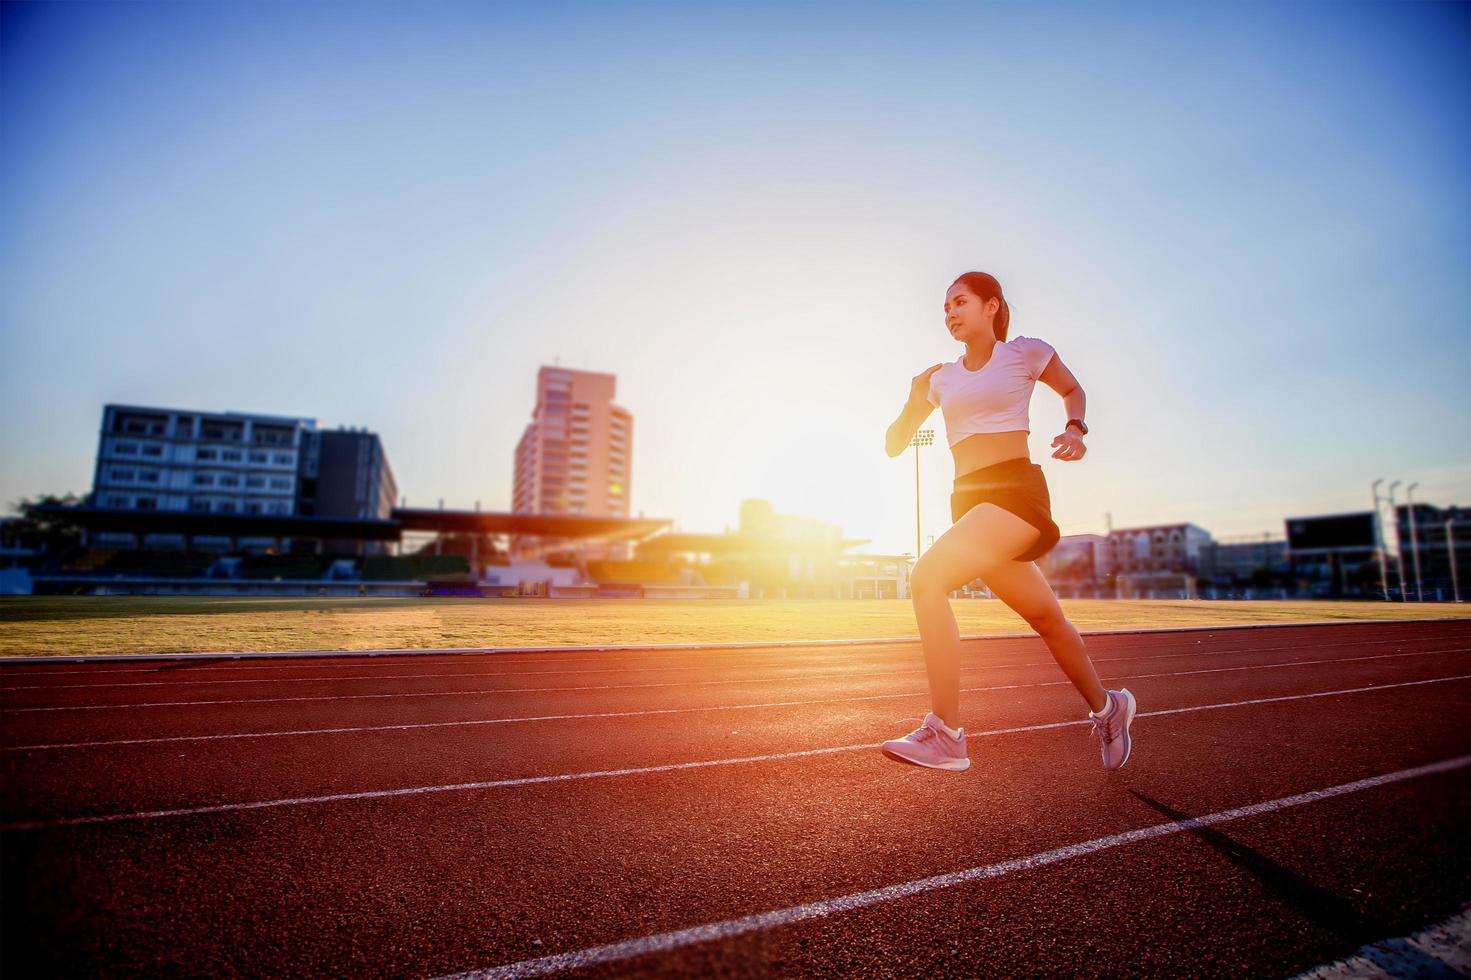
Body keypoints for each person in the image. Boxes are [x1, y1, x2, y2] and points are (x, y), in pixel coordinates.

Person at [879, 271, 1135, 773]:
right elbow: (893, 445)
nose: (950, 312)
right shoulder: (939, 380)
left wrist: (1076, 429)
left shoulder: (1025, 352)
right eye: (945, 307)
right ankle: (1109, 708)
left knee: (926, 579)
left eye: (960, 301)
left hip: (1015, 495)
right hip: (970, 505)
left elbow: (1072, 389)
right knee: (1047, 619)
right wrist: (912, 402)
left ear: (992, 306)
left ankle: (945, 734)